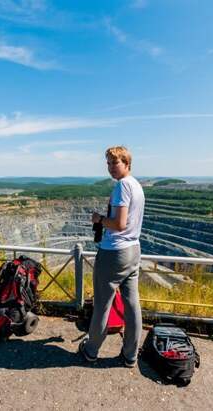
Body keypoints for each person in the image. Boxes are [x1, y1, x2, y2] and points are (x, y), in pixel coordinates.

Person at [79, 146, 145, 367]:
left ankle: (91, 350)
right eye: (108, 163)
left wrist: (98, 219)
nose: (110, 167)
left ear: (127, 163)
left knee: (102, 305)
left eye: (114, 163)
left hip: (114, 253)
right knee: (132, 305)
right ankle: (130, 355)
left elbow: (118, 224)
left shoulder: (122, 186)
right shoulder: (137, 185)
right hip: (133, 250)